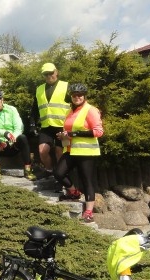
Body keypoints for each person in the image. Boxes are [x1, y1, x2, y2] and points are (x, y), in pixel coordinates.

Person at [54, 83, 104, 223]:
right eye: (74, 95)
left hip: (86, 152)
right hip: (70, 150)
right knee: (58, 173)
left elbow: (98, 132)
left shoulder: (91, 110)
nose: (77, 97)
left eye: (80, 95)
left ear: (84, 96)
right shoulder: (70, 111)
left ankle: (88, 212)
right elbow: (68, 129)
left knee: (87, 181)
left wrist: (74, 133)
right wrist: (64, 135)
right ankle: (74, 192)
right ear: (71, 96)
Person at [29, 62, 70, 177]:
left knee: (60, 152)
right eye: (45, 74)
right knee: (42, 151)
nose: (48, 76)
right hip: (46, 127)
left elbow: (75, 105)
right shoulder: (39, 89)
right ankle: (50, 171)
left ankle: (62, 176)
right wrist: (32, 124)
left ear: (56, 72)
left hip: (63, 126)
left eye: (50, 73)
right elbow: (35, 109)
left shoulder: (66, 86)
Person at [0, 90, 36, 180]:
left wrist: (8, 142)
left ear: (2, 100)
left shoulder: (12, 109)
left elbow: (19, 128)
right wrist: (4, 133)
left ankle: (28, 169)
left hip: (13, 145)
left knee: (23, 137)